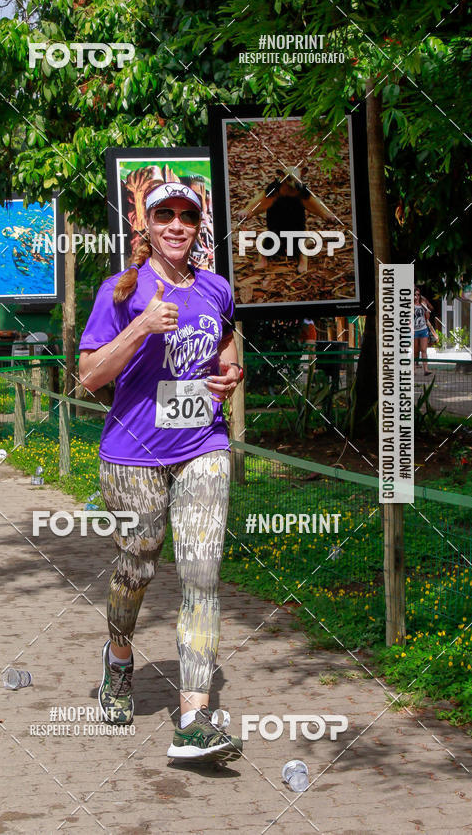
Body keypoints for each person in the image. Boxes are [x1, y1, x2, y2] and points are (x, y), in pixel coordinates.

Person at [79, 182, 244, 762]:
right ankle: (119, 658)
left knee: (202, 572)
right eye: (164, 215)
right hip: (132, 452)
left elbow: (225, 349)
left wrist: (230, 375)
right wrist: (141, 327)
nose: (176, 224)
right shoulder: (119, 291)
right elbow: (89, 378)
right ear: (145, 224)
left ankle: (194, 719)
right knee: (137, 564)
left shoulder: (216, 288)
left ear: (200, 226)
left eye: (187, 216)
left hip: (203, 443)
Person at [237, 166, 340, 273]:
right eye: (290, 180)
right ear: (282, 177)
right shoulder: (275, 189)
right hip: (275, 227)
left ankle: (303, 261)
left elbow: (314, 204)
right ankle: (262, 260)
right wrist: (247, 211)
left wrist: (326, 215)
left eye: (298, 179)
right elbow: (260, 202)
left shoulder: (301, 191)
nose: (295, 184)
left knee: (300, 241)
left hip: (296, 228)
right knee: (266, 239)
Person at [414, 286, 432, 376]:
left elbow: (427, 317)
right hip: (414, 329)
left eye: (418, 294)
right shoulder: (410, 304)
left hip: (423, 328)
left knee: (424, 349)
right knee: (415, 350)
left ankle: (426, 369)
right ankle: (413, 369)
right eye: (414, 295)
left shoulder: (422, 303)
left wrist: (426, 310)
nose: (416, 296)